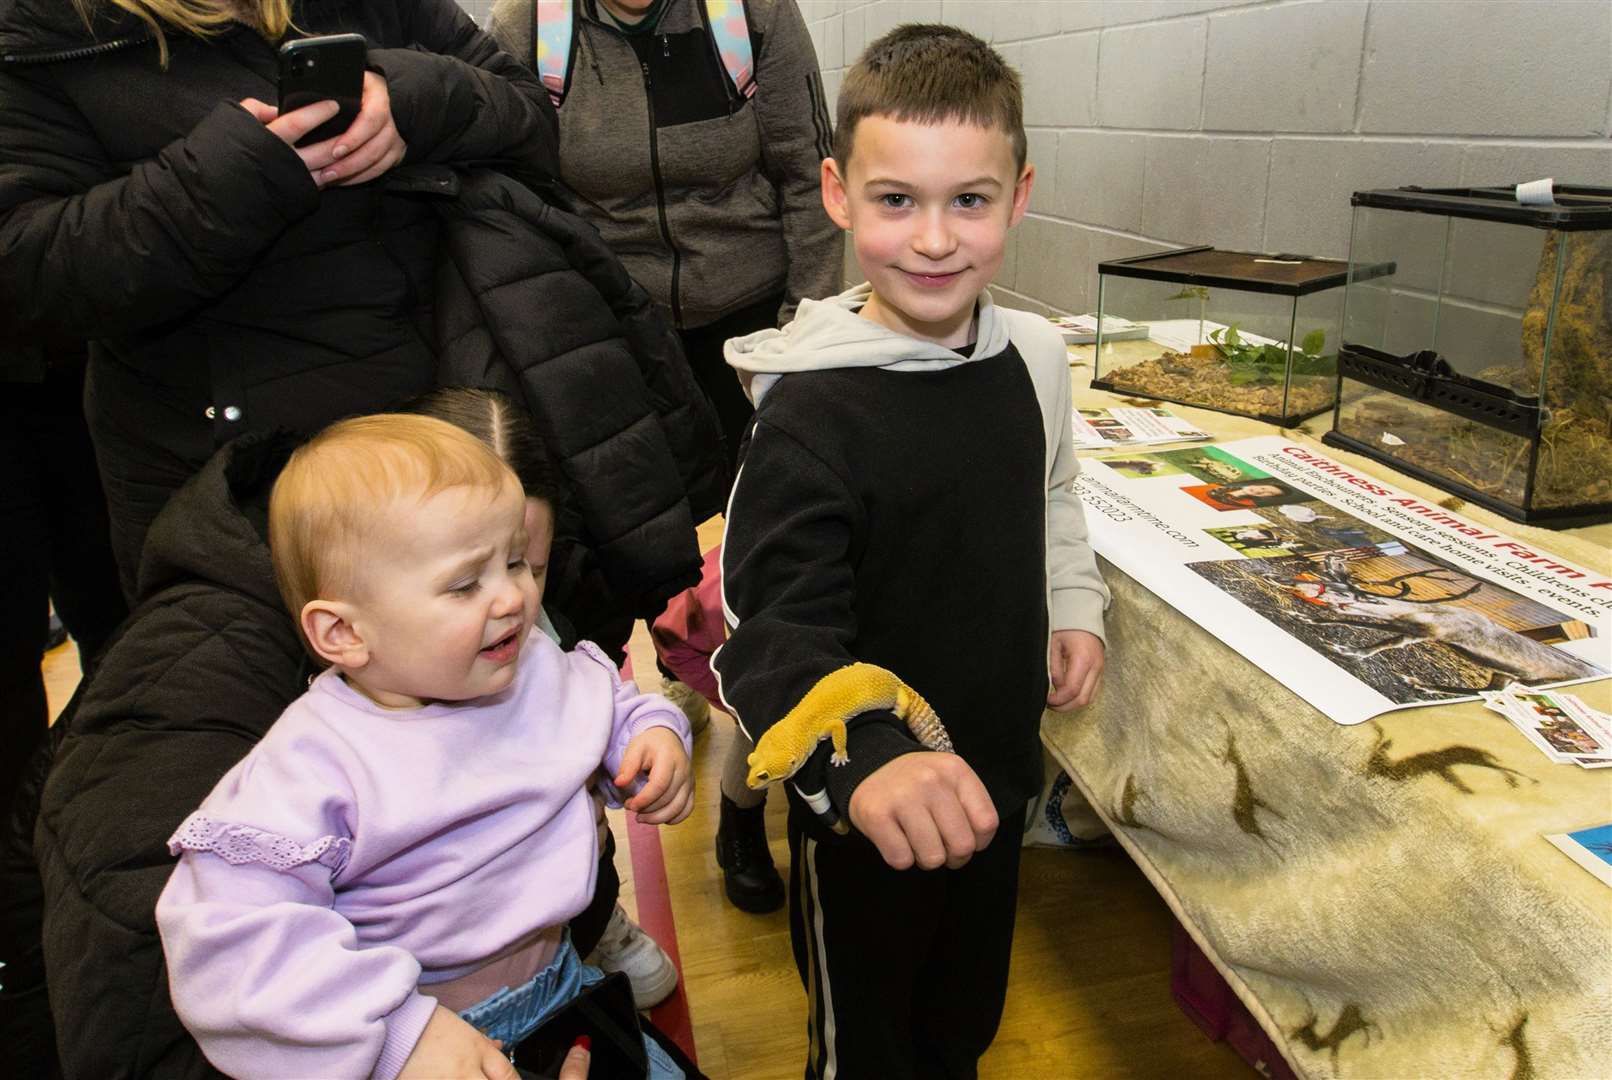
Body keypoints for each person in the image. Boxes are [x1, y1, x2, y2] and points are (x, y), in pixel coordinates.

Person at [2, 390, 681, 1078]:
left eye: (513, 563)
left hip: (564, 987)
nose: (513, 598)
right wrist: (393, 1034)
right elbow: (231, 948)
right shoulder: (313, 767)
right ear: (344, 633)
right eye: (463, 584)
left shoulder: (523, 661)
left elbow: (596, 699)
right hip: (417, 1039)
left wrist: (649, 731)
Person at [711, 25, 1110, 1076]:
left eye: (968, 201)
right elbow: (767, 635)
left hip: (1000, 770)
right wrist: (864, 765)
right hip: (864, 815)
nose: (934, 239)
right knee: (867, 1048)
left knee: (962, 1020)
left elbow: (1053, 491)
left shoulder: (1035, 355)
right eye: (897, 201)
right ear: (839, 194)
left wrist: (1073, 605)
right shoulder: (808, 412)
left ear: (1019, 195)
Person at [0, 0, 559, 601]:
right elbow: (26, 274)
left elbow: (528, 116)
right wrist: (231, 181)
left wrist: (415, 99)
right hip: (241, 497)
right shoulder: (48, 27)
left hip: (448, 434)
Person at [488, 0, 843, 913]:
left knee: (765, 566)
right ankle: (671, 694)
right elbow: (507, 186)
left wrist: (807, 333)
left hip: (751, 324)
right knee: (642, 552)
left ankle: (745, 788)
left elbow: (809, 174)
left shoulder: (748, 12)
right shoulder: (530, 25)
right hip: (609, 333)